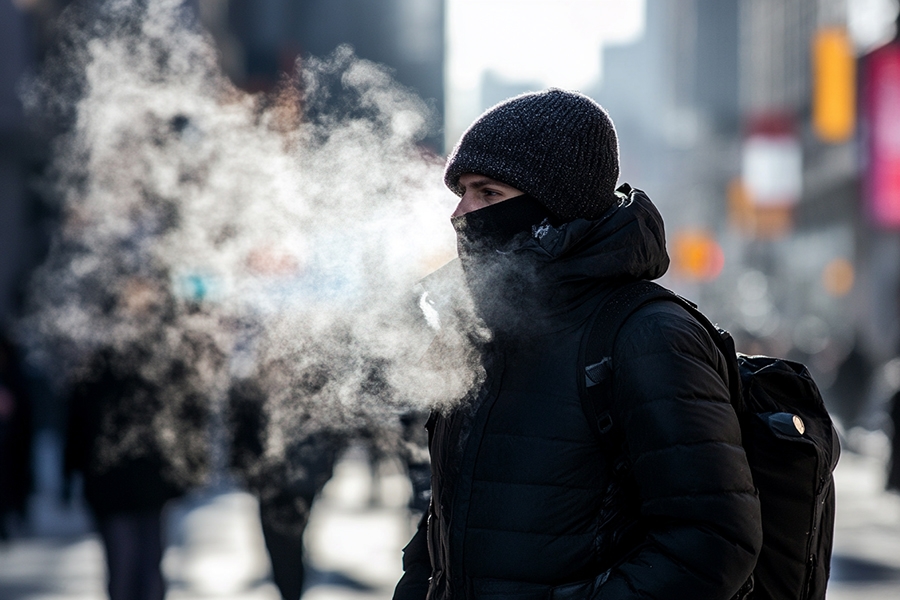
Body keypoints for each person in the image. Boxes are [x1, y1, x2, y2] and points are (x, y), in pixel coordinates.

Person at [392, 89, 762, 600]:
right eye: (461, 192)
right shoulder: (482, 332)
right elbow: (448, 522)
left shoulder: (647, 335)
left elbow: (712, 542)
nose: (461, 213)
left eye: (488, 193)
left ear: (555, 203)